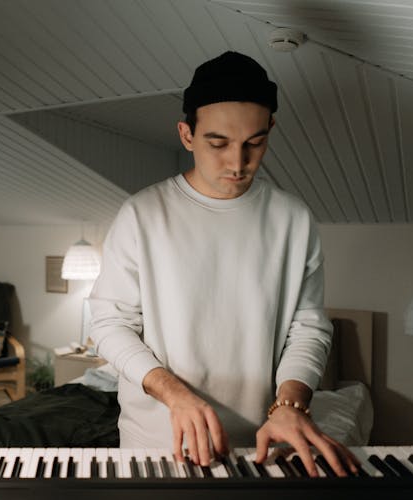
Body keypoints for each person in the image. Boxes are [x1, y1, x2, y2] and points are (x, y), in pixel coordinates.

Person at [88, 50, 358, 477]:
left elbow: (308, 327)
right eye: (218, 143)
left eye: (254, 143)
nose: (237, 162)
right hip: (155, 443)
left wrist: (290, 404)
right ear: (186, 134)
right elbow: (107, 324)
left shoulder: (293, 218)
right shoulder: (142, 214)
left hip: (263, 443)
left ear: (270, 129)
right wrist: (177, 395)